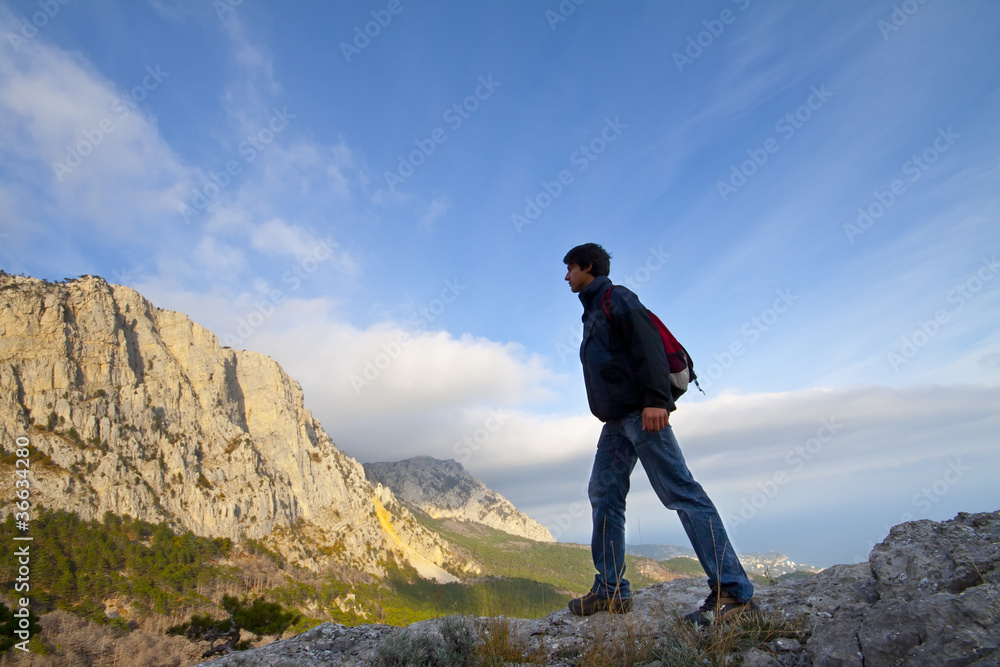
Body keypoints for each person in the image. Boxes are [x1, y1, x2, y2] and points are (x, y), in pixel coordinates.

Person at [563, 242, 758, 625]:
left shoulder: (616, 297)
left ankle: (734, 592)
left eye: (569, 268)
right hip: (617, 422)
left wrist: (656, 400)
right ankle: (611, 590)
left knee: (681, 492)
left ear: (588, 266)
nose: (565, 276)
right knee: (604, 494)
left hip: (643, 413)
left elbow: (647, 344)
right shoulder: (592, 311)